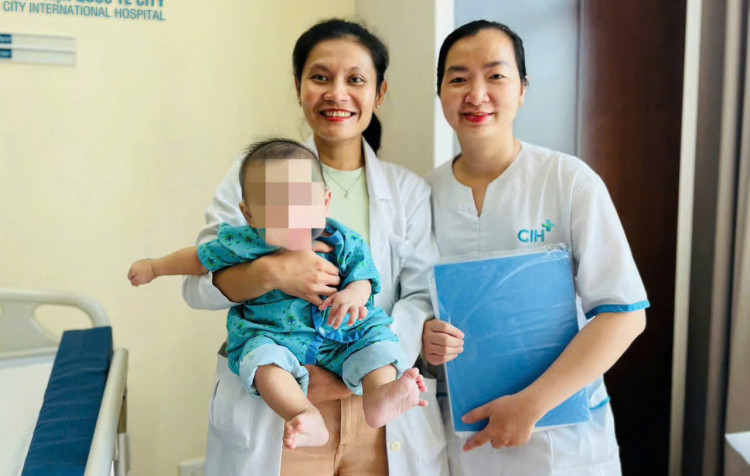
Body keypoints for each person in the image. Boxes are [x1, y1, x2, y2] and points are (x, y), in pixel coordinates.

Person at [182, 19, 448, 476]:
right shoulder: (254, 174)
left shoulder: (408, 191)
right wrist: (272, 272)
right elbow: (197, 285)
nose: (337, 94)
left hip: (378, 416)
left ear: (379, 93)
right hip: (283, 416)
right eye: (320, 77)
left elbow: (420, 295)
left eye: (356, 79)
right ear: (298, 86)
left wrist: (365, 369)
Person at [423, 20, 650, 475]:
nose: (477, 94)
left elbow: (625, 315)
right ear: (441, 91)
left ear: (523, 89)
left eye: (496, 75)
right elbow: (409, 306)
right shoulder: (421, 195)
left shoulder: (568, 180)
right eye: (459, 78)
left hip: (561, 443)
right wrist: (424, 339)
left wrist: (532, 403)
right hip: (463, 440)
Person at [128, 139, 429, 449]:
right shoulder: (246, 242)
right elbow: (198, 259)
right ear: (249, 214)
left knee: (376, 342)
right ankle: (302, 413)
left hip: (342, 335)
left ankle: (379, 396)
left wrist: (353, 294)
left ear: (325, 202)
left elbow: (364, 275)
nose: (292, 216)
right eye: (276, 208)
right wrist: (154, 267)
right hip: (276, 338)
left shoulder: (340, 239)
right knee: (262, 362)